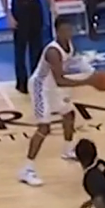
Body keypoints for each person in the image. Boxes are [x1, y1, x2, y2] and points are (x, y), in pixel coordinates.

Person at [18, 16, 96, 187]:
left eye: (69, 29)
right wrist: (87, 81)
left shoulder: (69, 45)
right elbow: (60, 80)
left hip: (51, 87)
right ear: (57, 31)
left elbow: (73, 60)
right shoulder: (53, 51)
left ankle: (67, 150)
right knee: (44, 128)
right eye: (64, 30)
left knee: (69, 115)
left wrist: (91, 71)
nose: (67, 33)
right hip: (40, 88)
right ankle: (27, 169)